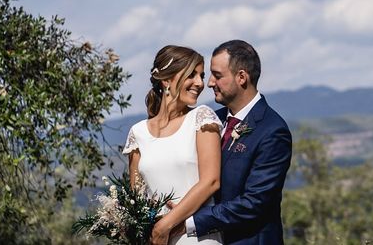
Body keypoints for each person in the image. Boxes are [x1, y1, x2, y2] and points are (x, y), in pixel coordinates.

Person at [181, 40, 293, 245]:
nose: (209, 83)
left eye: (217, 75)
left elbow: (253, 203)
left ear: (241, 77)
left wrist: (191, 221)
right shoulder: (211, 120)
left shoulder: (273, 131)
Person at [123, 45, 224, 245]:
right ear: (166, 80)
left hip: (198, 238)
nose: (199, 83)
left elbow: (211, 181)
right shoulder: (138, 133)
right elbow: (136, 199)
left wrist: (165, 225)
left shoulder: (202, 117)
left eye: (201, 75)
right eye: (191, 75)